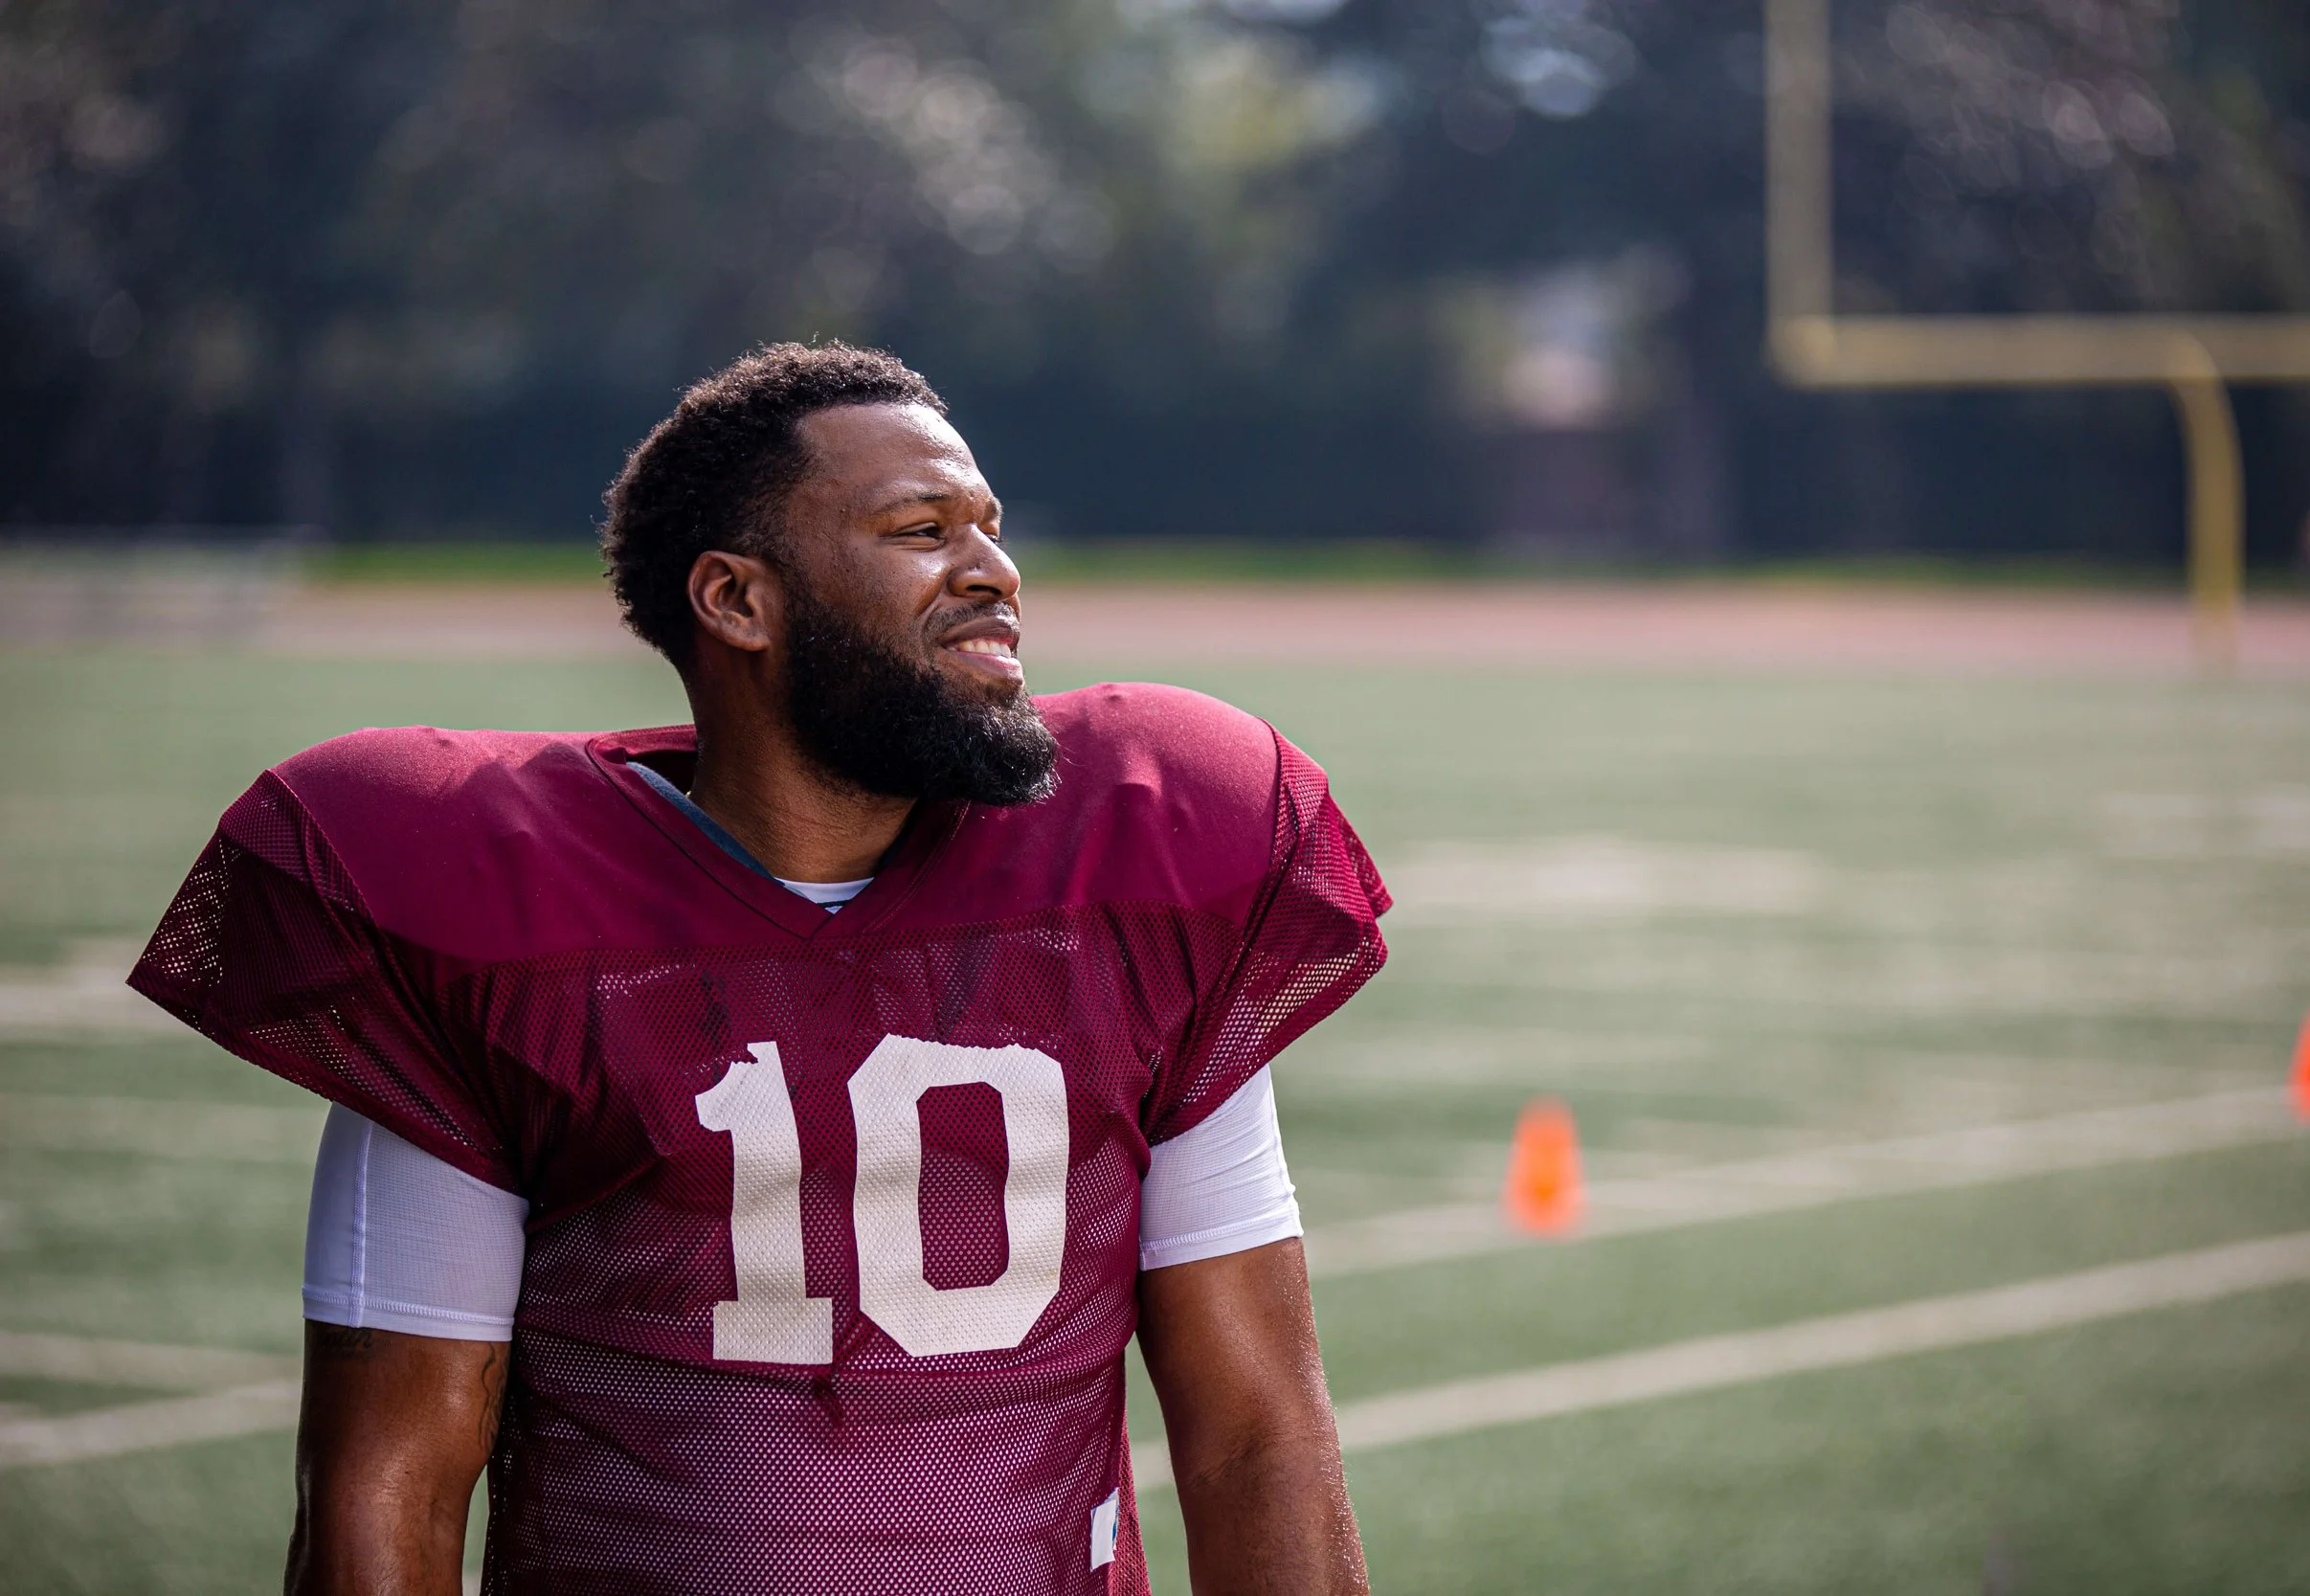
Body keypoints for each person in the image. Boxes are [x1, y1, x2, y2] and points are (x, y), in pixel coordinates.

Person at [130, 342, 1389, 1595]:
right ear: (736, 600)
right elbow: (385, 1487)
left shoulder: (1135, 875)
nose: (994, 571)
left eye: (991, 528)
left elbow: (1259, 1431)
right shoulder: (487, 911)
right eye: (921, 528)